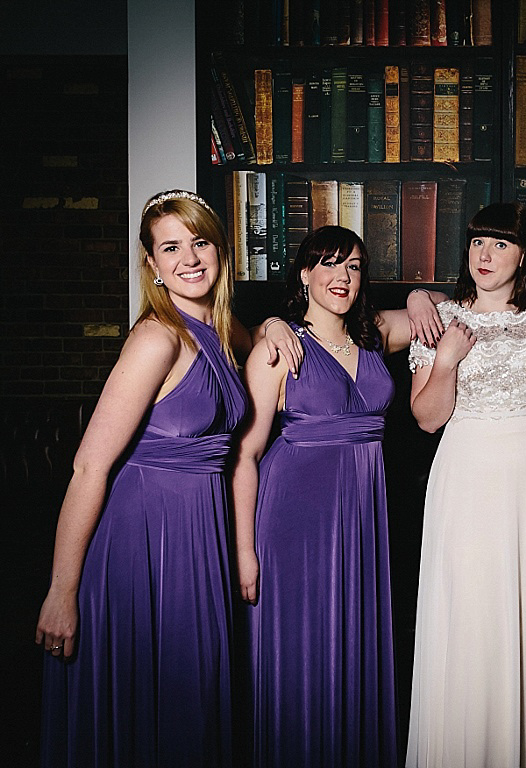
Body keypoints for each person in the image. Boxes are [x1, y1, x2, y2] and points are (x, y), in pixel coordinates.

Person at [34, 190, 300, 767]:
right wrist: (61, 591)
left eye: (200, 241)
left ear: (220, 249)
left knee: (192, 701)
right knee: (154, 702)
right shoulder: (157, 337)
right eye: (171, 248)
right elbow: (89, 465)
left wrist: (275, 320)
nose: (190, 258)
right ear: (152, 264)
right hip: (142, 540)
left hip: (199, 536)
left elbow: (254, 337)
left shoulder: (225, 332)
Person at [232, 225, 453, 767]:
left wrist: (421, 295)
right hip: (294, 515)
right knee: (303, 649)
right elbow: (246, 455)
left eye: (353, 266)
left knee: (353, 645)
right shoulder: (278, 348)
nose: (342, 276)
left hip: (361, 511)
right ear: (304, 274)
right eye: (329, 264)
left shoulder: (375, 334)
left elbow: (458, 306)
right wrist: (244, 550)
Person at [405, 202, 526, 768]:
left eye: (501, 244)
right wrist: (445, 360)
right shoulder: (440, 319)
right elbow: (427, 418)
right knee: (470, 612)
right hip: (465, 476)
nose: (485, 255)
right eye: (478, 242)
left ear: (525, 256)